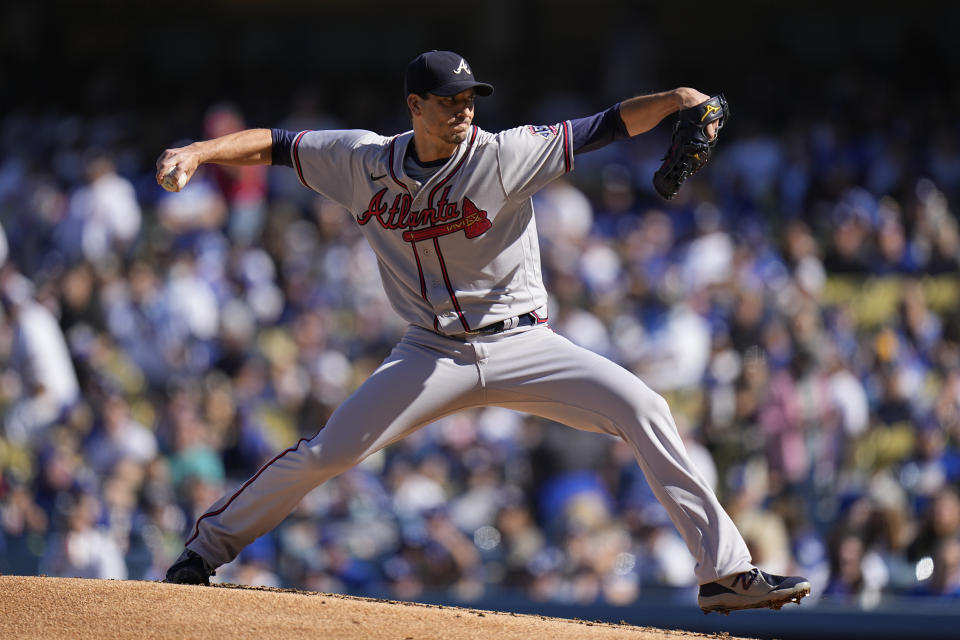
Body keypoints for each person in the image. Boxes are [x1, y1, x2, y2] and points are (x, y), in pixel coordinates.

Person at [157, 50, 810, 613]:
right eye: (449, 100)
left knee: (644, 405)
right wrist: (198, 150)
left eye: (469, 98)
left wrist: (674, 100)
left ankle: (724, 574)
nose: (464, 109)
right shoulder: (359, 161)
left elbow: (608, 125)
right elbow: (276, 143)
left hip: (523, 343)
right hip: (429, 351)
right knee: (329, 452)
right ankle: (203, 552)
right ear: (415, 105)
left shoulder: (505, 153)